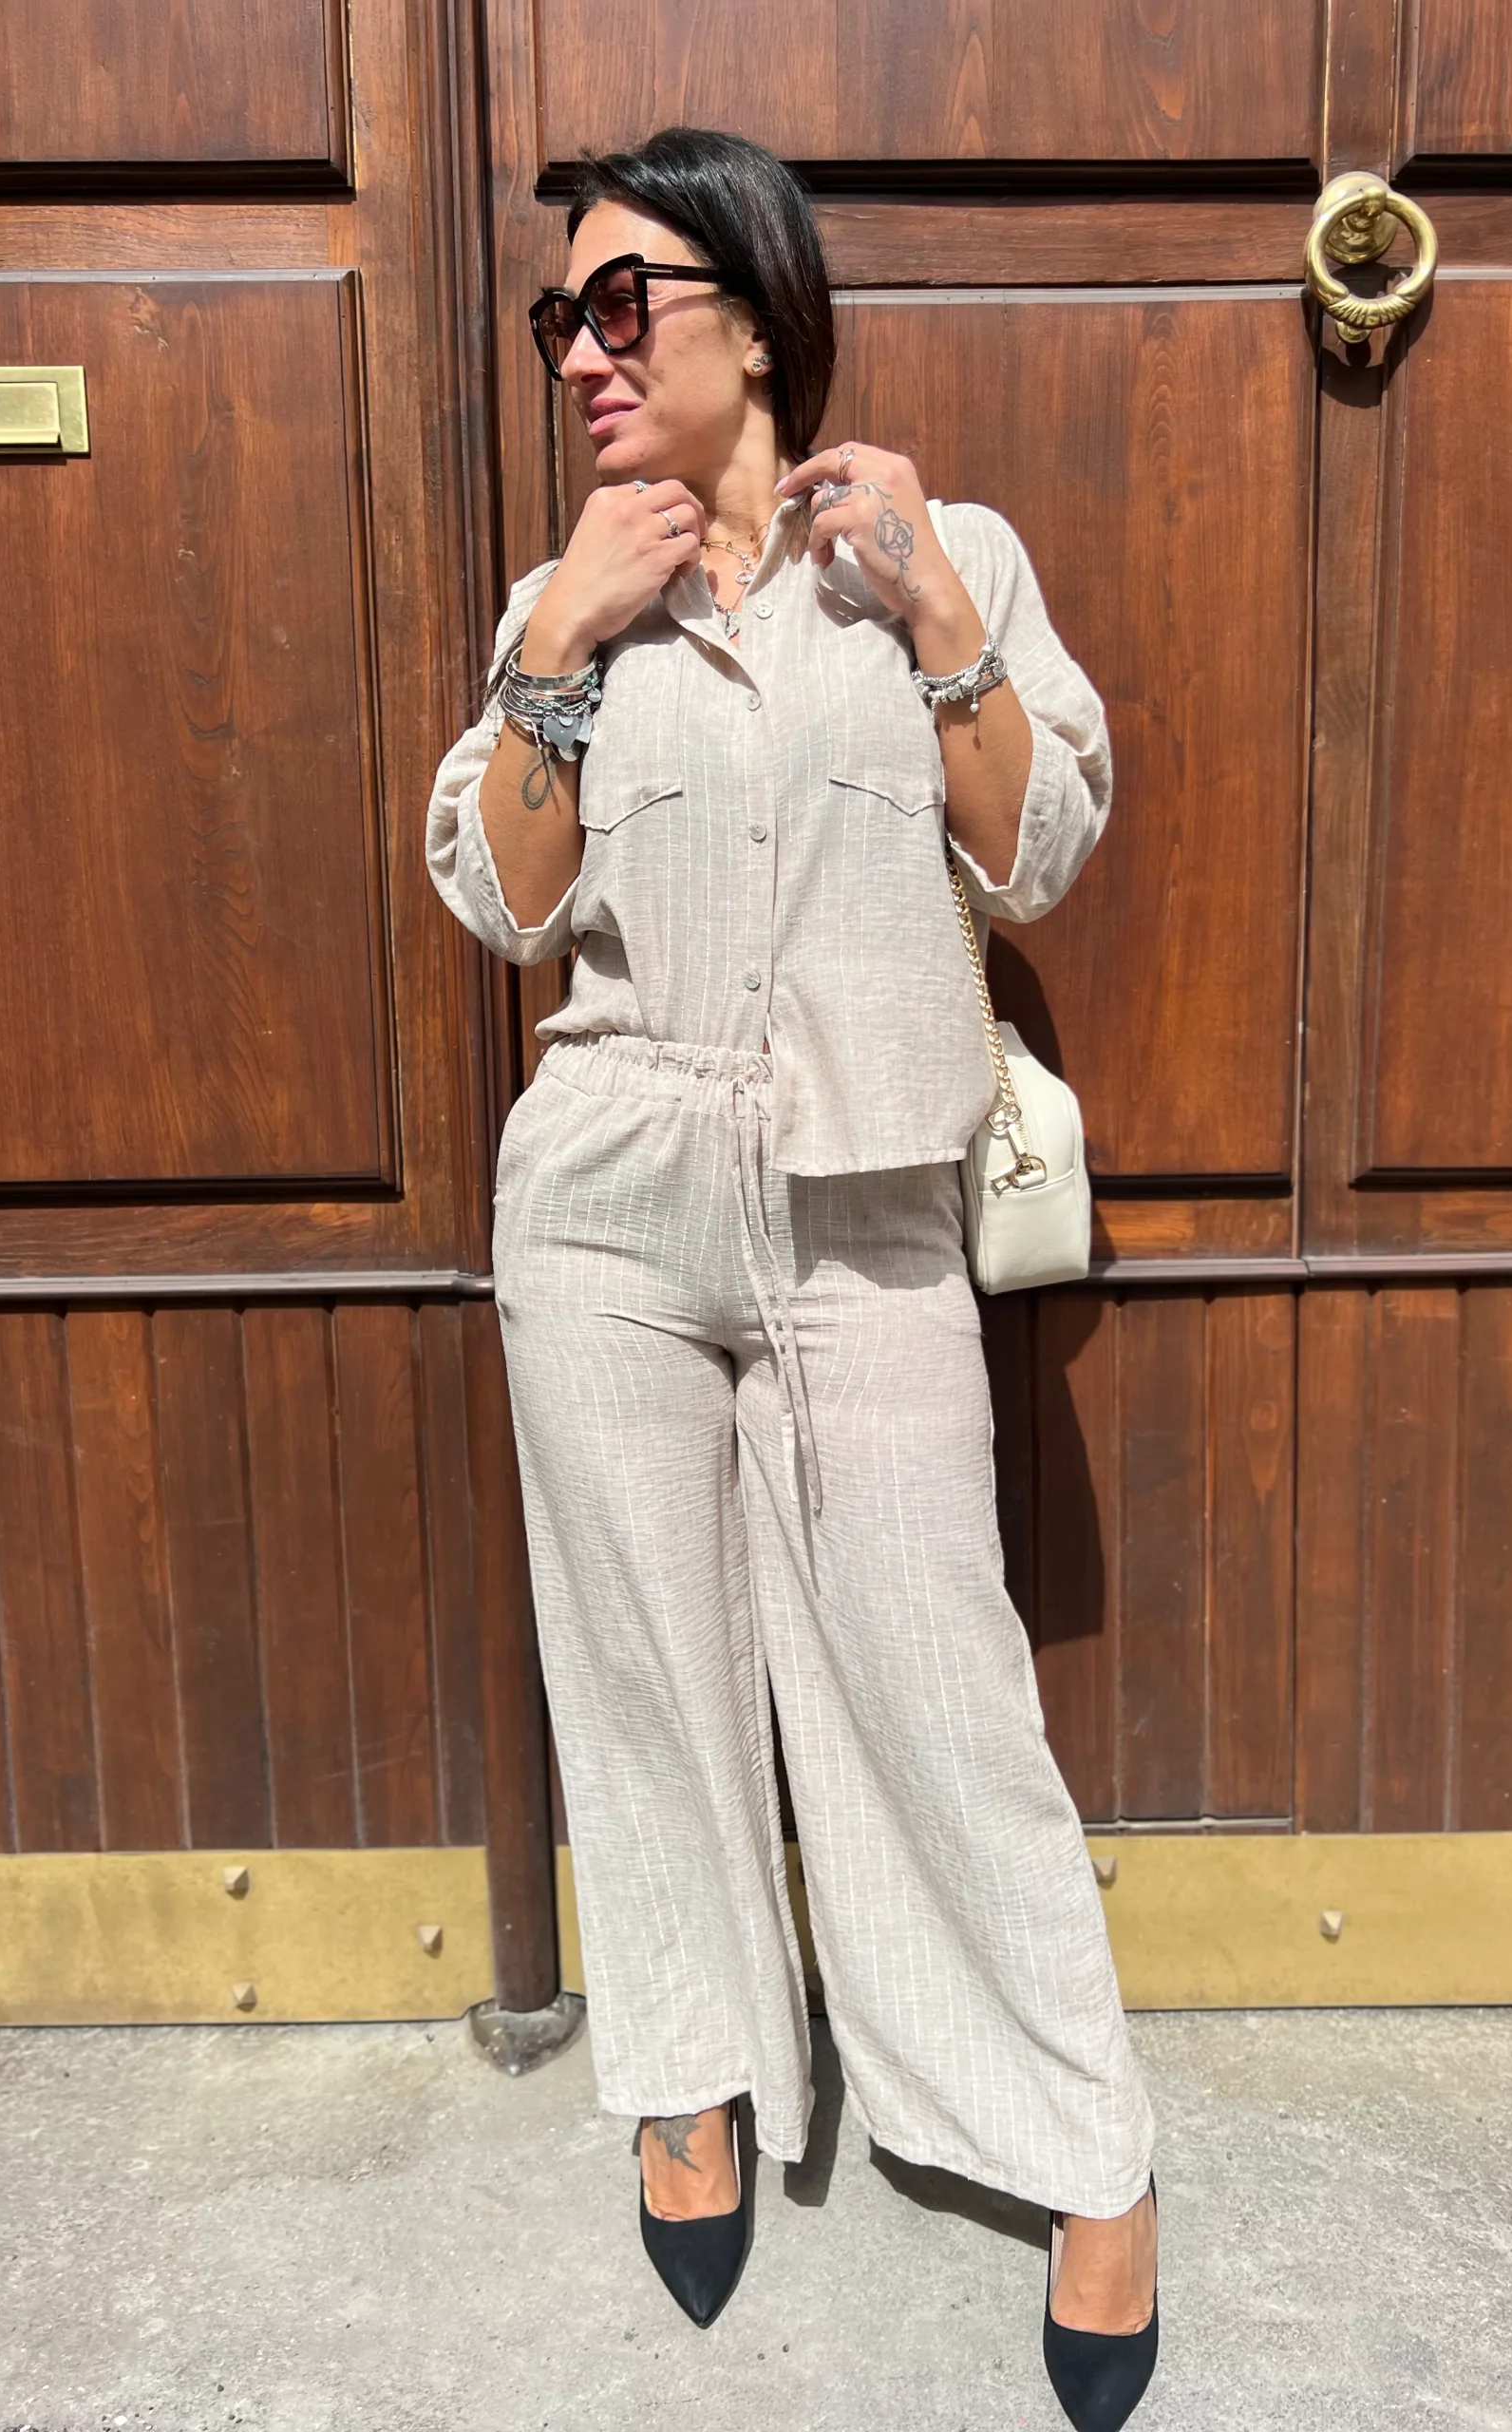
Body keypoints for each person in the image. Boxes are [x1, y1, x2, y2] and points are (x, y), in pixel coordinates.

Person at [426, 124, 1159, 2429]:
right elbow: (504, 903)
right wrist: (559, 648)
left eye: (621, 303)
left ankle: (1082, 2134)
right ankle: (693, 2068)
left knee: (935, 1677)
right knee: (646, 1672)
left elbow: (1039, 850)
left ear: (757, 313)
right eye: (561, 319)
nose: (582, 354)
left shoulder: (943, 556)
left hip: (862, 1203)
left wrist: (939, 616)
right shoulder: (563, 594)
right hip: (610, 1201)